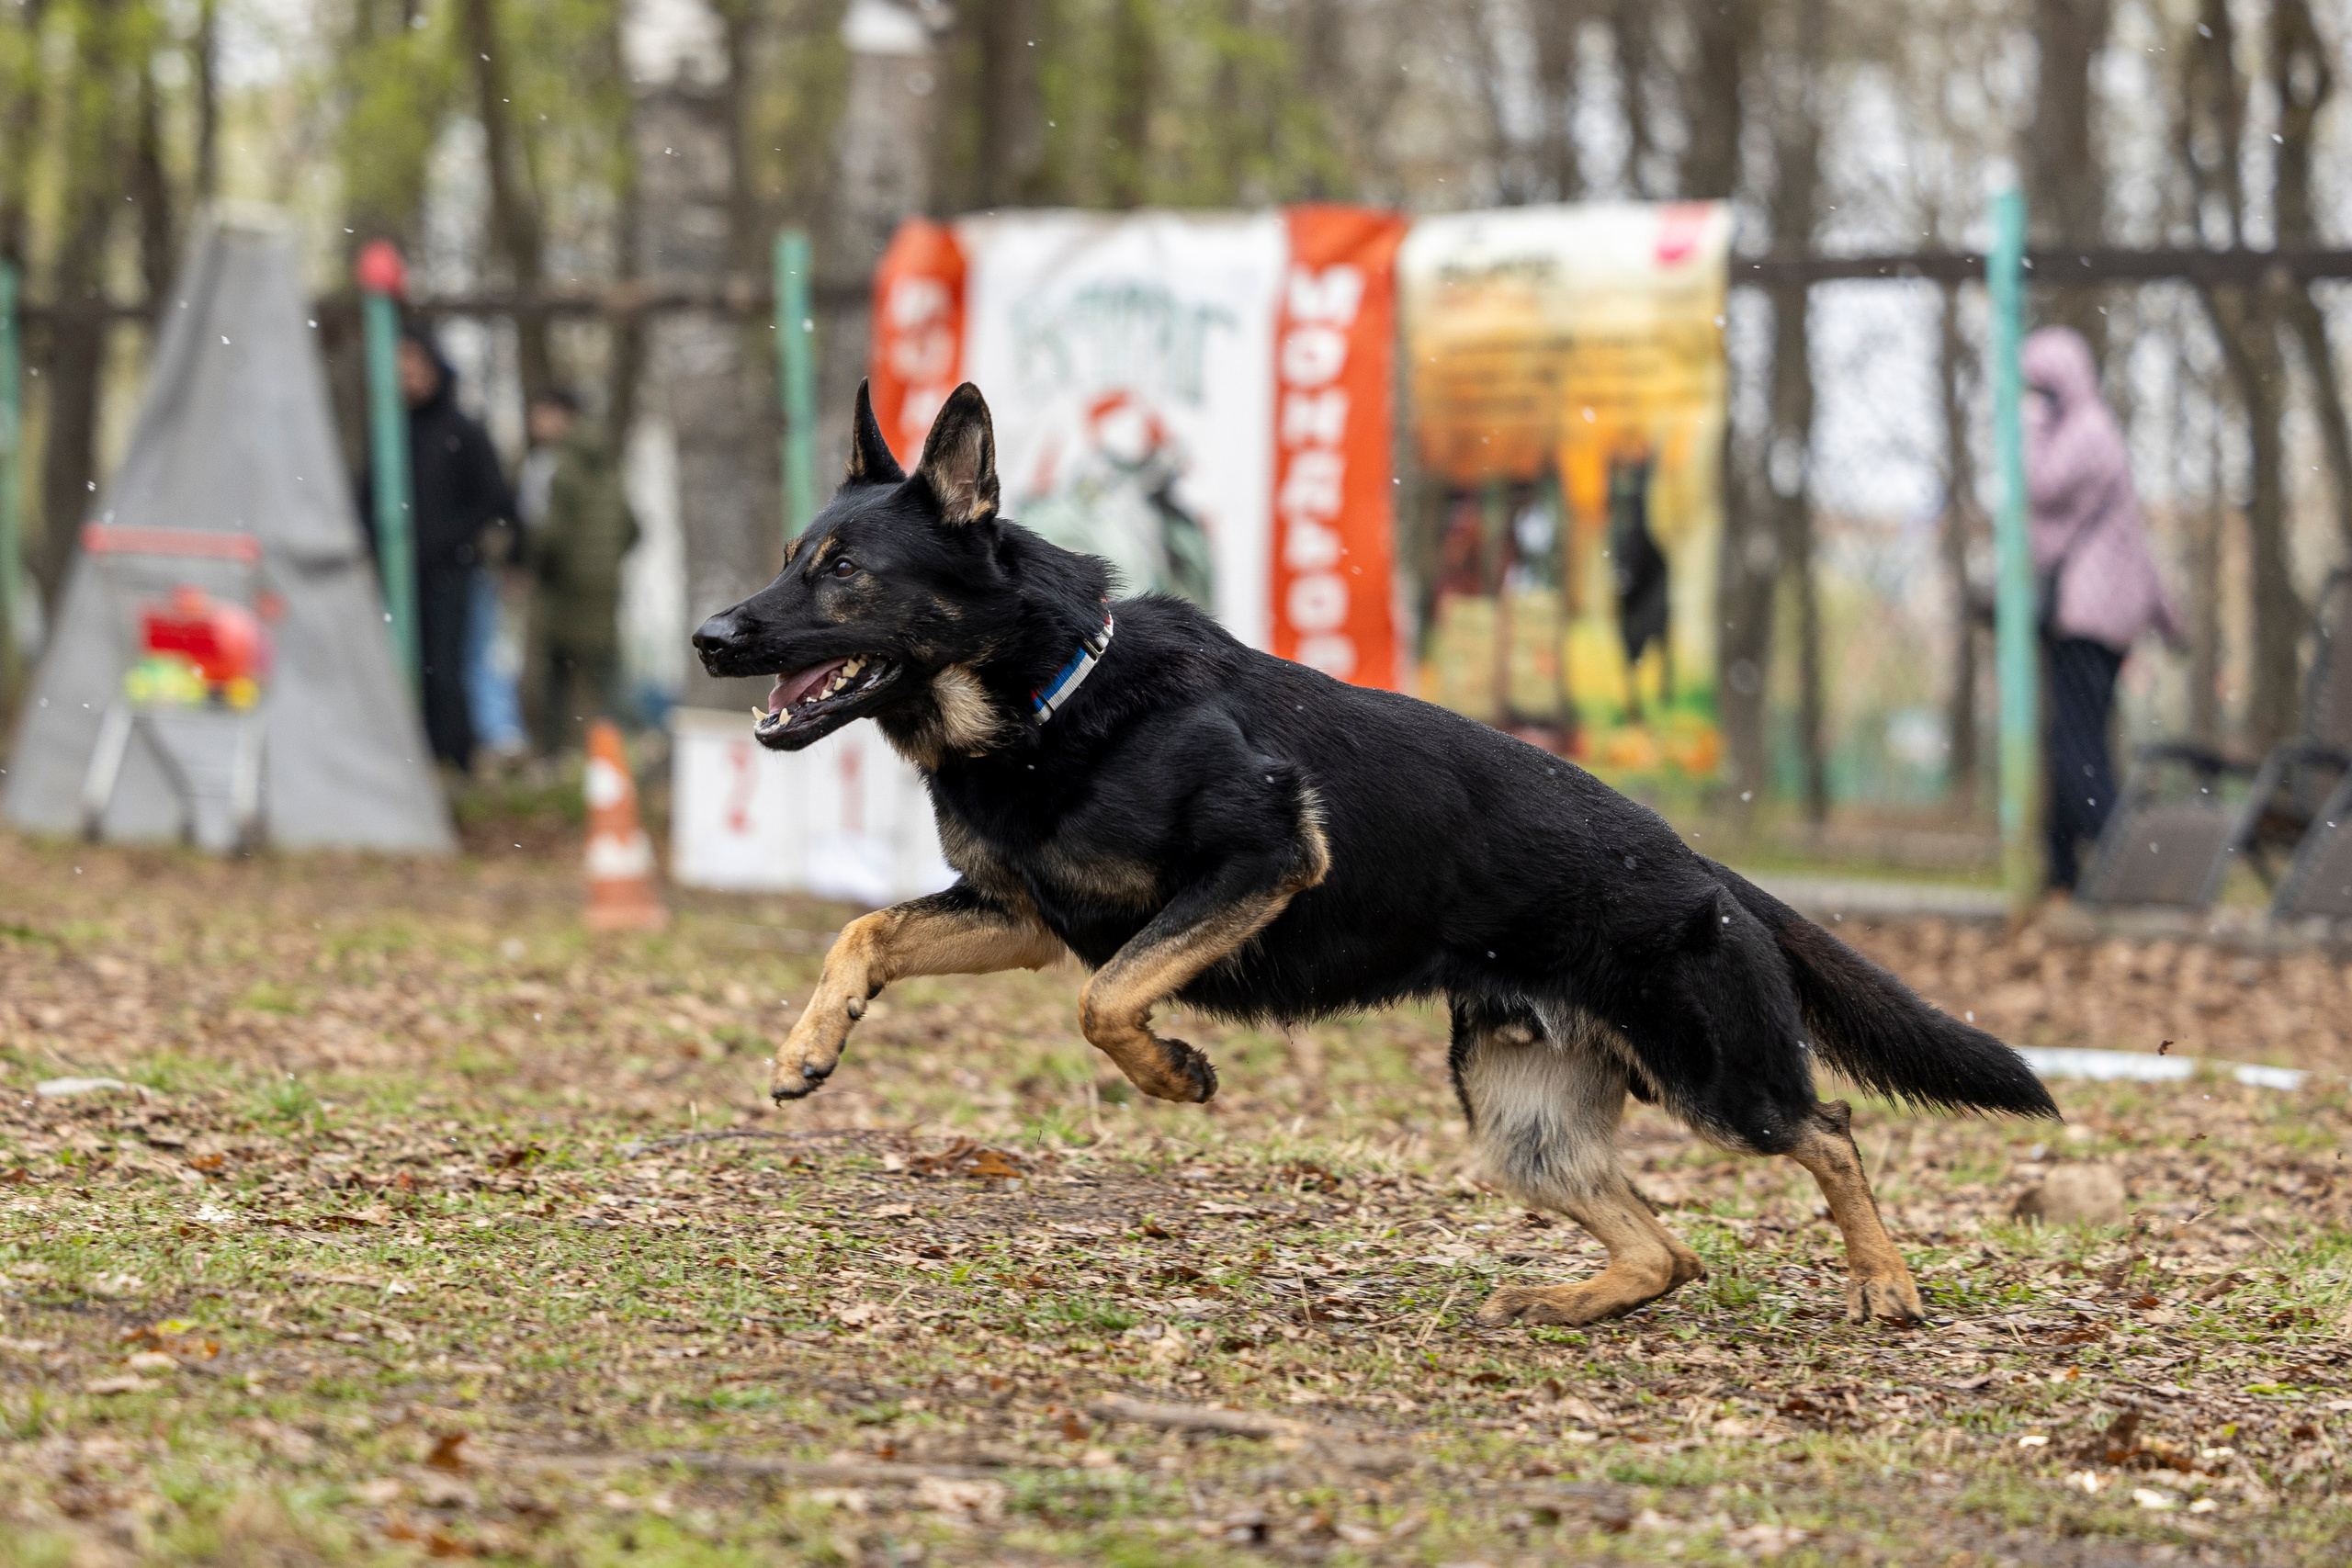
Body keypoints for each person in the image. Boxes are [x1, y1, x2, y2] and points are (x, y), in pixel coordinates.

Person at [2022, 326, 2185, 893]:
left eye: (2037, 385)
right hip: (2099, 615)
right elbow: (2135, 539)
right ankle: (2063, 869)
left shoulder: (2084, 429)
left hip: (2088, 617)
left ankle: (2121, 860)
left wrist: (2028, 419)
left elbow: (2037, 485)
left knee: (2075, 742)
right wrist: (2171, 620)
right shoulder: (2093, 428)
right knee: (2071, 735)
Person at [361, 328, 516, 773]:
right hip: (398, 576)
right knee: (402, 668)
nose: (406, 378)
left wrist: (448, 541)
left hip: (451, 573)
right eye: (400, 370)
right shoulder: (388, 435)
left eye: (414, 368)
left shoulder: (463, 432)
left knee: (448, 669)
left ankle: (453, 759)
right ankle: (412, 760)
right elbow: (366, 498)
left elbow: (494, 502)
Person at [522, 388, 639, 754]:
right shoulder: (608, 465)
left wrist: (531, 563)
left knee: (555, 677)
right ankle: (626, 752)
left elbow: (551, 534)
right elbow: (632, 527)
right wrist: (605, 562)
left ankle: (552, 757)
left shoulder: (558, 466)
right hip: (604, 587)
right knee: (607, 674)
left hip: (565, 589)